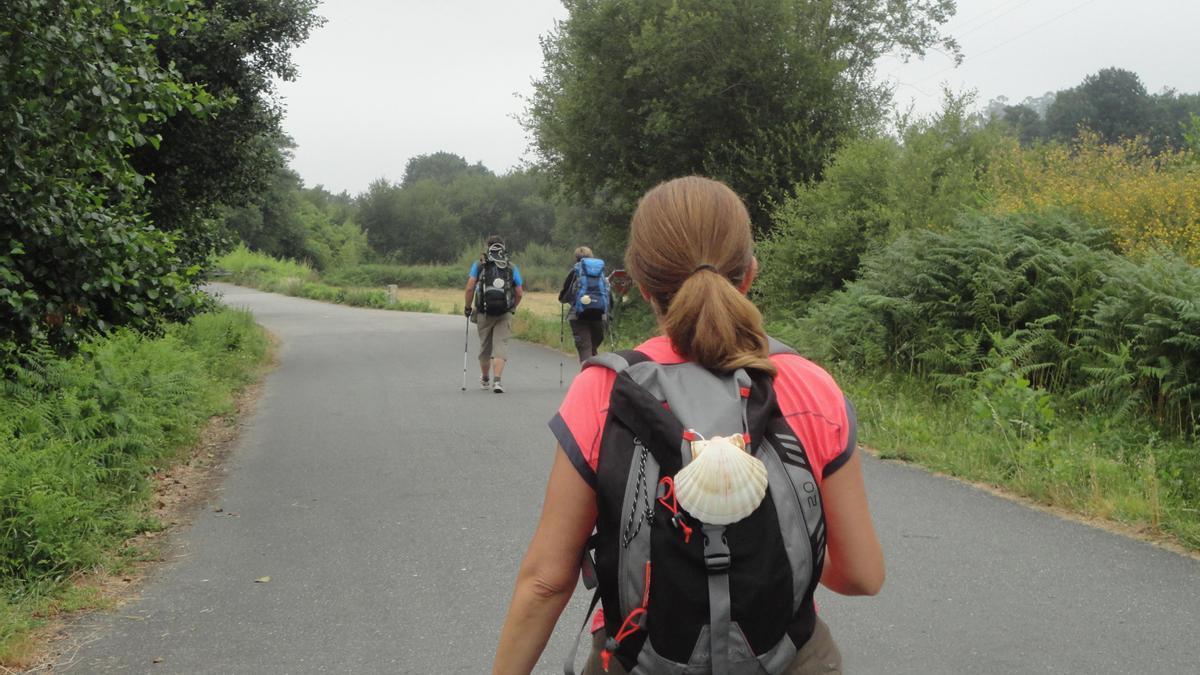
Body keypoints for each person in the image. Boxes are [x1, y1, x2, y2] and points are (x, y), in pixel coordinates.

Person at [492, 177, 884, 674]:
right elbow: (863, 575)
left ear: (636, 278)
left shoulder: (604, 391)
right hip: (788, 659)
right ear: (749, 274)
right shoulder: (810, 386)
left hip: (639, 659)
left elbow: (545, 582)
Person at [464, 235, 523, 393]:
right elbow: (519, 292)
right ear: (503, 247)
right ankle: (497, 381)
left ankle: (485, 379)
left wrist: (468, 307)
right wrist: (512, 307)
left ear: (487, 247)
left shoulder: (479, 265)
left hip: (484, 311)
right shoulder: (511, 266)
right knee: (501, 345)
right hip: (505, 311)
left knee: (485, 346)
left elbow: (470, 287)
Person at [558, 246, 609, 363]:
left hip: (578, 316)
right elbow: (608, 294)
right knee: (592, 350)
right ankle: (594, 376)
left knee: (585, 351)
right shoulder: (601, 271)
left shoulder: (575, 271)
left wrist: (563, 298)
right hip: (599, 315)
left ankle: (587, 378)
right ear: (592, 256)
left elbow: (565, 296)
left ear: (576, 258)